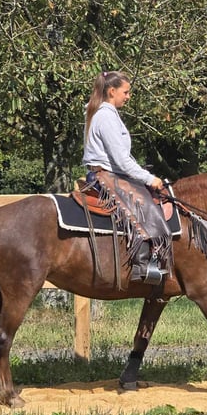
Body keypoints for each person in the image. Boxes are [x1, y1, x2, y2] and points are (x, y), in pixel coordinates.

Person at [82, 70, 170, 285]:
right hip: (106, 176)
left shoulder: (106, 114)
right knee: (144, 206)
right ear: (112, 91)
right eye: (126, 92)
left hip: (111, 174)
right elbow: (121, 160)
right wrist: (149, 178)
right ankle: (143, 266)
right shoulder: (105, 116)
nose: (128, 96)